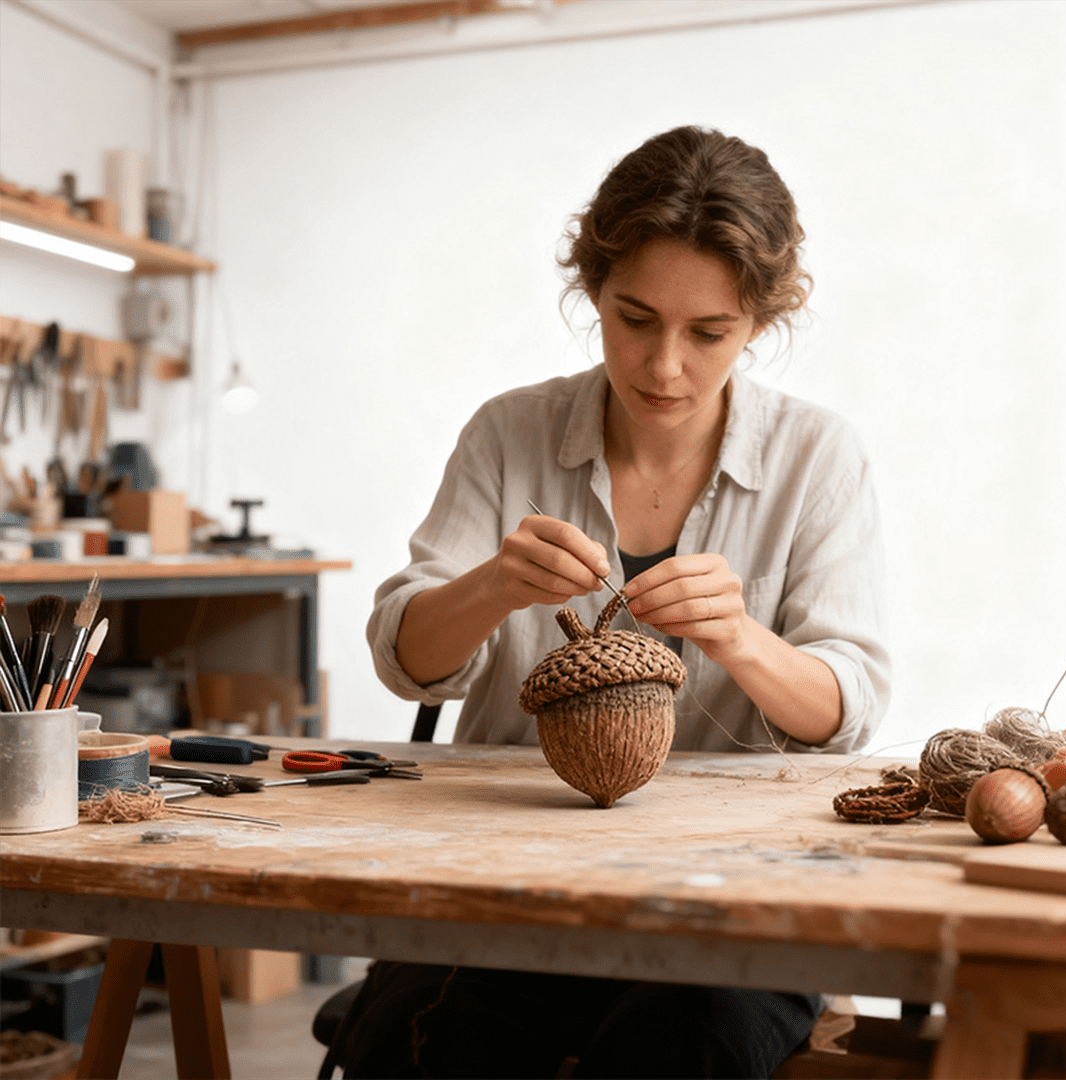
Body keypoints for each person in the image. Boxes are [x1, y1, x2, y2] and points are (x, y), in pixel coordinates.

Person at [353, 125, 890, 1078]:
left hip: (741, 890)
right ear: (591, 291)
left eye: (709, 333)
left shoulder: (819, 456)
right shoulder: (509, 432)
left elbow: (845, 710)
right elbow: (406, 660)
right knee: (421, 1038)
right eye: (633, 318)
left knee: (680, 1048)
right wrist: (489, 588)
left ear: (761, 323)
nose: (664, 366)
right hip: (510, 873)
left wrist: (739, 638)